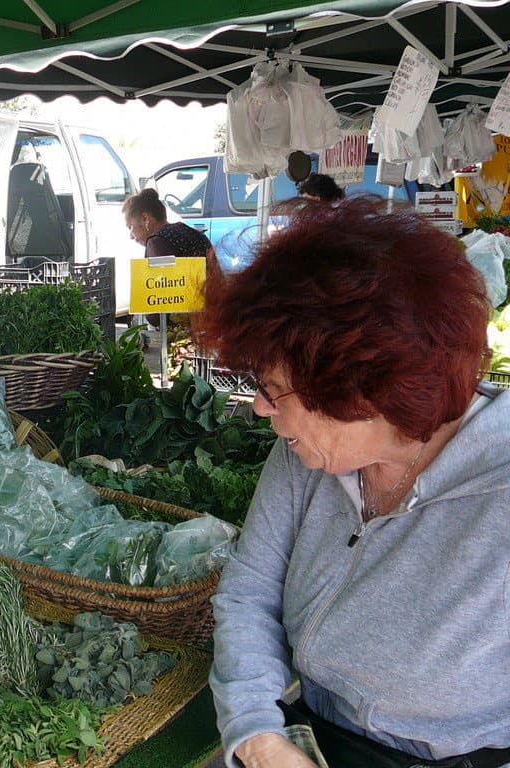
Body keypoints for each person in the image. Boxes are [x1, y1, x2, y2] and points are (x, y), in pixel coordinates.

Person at [194, 196, 510, 768]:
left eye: (272, 389)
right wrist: (261, 736)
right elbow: (249, 594)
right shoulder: (305, 457)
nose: (261, 409)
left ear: (361, 395)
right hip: (309, 734)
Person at [122, 187, 212, 259]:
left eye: (130, 227)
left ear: (145, 218)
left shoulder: (156, 242)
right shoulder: (198, 235)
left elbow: (159, 280)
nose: (131, 236)